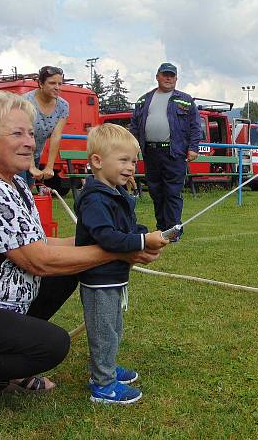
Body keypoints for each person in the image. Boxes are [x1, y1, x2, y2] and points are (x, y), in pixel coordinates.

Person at [0, 91, 161, 425]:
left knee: (71, 268)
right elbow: (39, 261)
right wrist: (121, 248)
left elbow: (37, 243)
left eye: (32, 134)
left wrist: (121, 243)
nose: (29, 143)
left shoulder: (10, 181)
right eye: (16, 134)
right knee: (50, 346)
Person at [75, 124, 170, 404]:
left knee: (113, 327)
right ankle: (102, 385)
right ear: (97, 161)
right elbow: (106, 236)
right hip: (99, 279)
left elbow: (125, 227)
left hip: (113, 277)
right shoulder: (95, 198)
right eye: (124, 160)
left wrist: (145, 234)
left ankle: (105, 368)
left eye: (133, 161)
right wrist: (142, 242)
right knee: (103, 330)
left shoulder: (115, 193)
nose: (131, 167)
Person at [129, 62, 201, 239]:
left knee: (172, 192)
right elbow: (134, 127)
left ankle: (173, 231)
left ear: (176, 79)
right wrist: (132, 149)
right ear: (157, 76)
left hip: (174, 153)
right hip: (151, 153)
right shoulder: (143, 100)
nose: (168, 78)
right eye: (165, 75)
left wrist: (193, 147)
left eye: (172, 75)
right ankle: (161, 228)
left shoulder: (185, 100)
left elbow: (195, 126)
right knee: (156, 191)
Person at [23, 65, 70, 185]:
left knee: (28, 189)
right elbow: (25, 134)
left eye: (60, 84)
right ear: (41, 84)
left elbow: (56, 135)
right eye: (52, 83)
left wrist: (49, 167)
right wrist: (32, 166)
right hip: (17, 152)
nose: (57, 87)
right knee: (18, 190)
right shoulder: (26, 102)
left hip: (35, 153)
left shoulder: (63, 106)